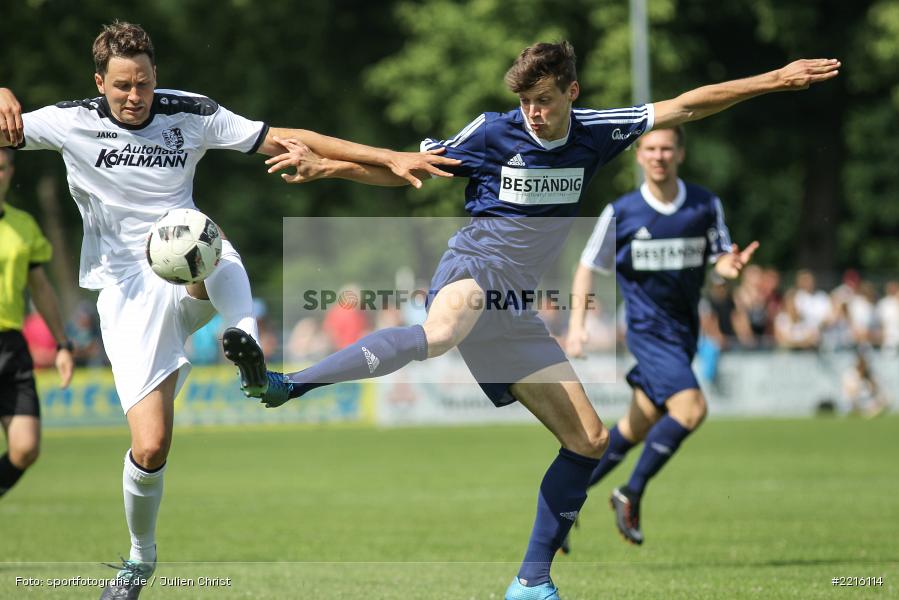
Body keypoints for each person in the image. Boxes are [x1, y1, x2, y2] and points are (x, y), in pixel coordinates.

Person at [253, 42, 839, 599]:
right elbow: (409, 168)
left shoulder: (597, 133)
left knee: (589, 440)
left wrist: (776, 79)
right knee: (437, 334)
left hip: (516, 307)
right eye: (526, 100)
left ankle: (531, 581)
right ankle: (288, 384)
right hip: (475, 263)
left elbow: (689, 103)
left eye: (545, 99)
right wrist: (329, 167)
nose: (533, 111)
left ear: (571, 93)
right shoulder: (493, 130)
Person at [0, 21, 457, 600]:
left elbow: (291, 138)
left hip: (182, 253)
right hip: (125, 292)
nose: (134, 96)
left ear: (156, 76)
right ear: (101, 83)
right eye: (121, 86)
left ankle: (248, 347)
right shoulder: (67, 121)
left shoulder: (190, 113)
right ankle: (140, 559)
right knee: (150, 446)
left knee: (202, 239)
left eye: (143, 82)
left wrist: (387, 156)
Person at [566, 124, 758, 550]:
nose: (659, 156)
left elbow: (722, 259)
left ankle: (565, 498)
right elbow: (586, 267)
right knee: (691, 409)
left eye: (667, 148)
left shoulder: (705, 205)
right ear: (638, 156)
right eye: (650, 148)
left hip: (684, 334)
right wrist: (577, 326)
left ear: (680, 154)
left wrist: (729, 269)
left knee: (635, 426)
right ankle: (630, 493)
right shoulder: (623, 212)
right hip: (648, 333)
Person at [0, 147, 75, 499]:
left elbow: (41, 288)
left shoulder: (23, 225)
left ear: (10, 171)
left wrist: (62, 343)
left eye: (1, 168)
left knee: (25, 447)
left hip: (11, 345)